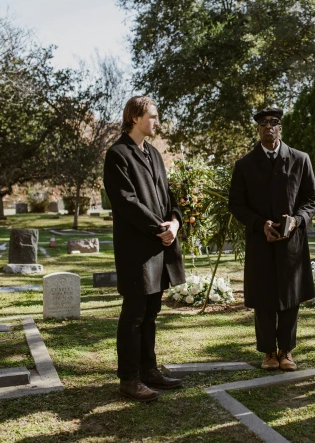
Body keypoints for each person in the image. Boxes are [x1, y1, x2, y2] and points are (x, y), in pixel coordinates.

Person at [103, 95, 185, 402]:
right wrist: (158, 228)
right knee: (134, 313)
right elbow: (126, 202)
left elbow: (168, 196)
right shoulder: (118, 154)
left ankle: (150, 372)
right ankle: (130, 378)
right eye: (152, 116)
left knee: (152, 312)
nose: (156, 122)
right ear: (135, 118)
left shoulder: (153, 153)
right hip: (136, 248)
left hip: (160, 245)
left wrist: (174, 223)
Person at [229, 107, 315, 372]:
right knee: (264, 297)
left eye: (274, 122)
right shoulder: (245, 164)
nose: (269, 127)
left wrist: (298, 219)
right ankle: (268, 352)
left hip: (292, 243)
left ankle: (287, 352)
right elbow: (236, 203)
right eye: (263, 123)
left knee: (290, 298)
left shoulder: (300, 159)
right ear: (258, 129)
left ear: (281, 128)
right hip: (260, 241)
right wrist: (260, 223)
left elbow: (311, 199)